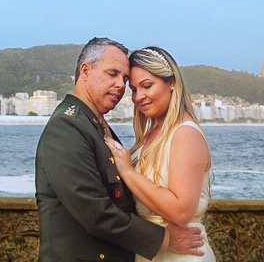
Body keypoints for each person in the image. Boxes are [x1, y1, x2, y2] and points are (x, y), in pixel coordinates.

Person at [35, 37, 205, 262]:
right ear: (85, 71)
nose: (121, 87)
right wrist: (164, 239)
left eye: (125, 79)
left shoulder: (92, 123)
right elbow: (96, 213)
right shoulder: (67, 126)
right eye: (112, 74)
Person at [104, 46, 216, 262]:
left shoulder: (185, 134)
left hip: (182, 255)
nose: (139, 97)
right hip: (154, 252)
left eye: (147, 86)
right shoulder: (153, 134)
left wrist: (128, 172)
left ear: (171, 82)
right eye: (134, 89)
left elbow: (181, 212)